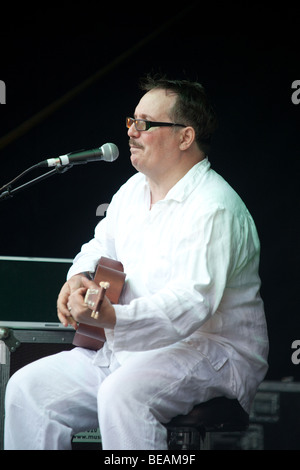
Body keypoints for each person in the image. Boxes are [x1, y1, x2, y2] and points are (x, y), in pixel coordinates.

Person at [4, 76, 269, 450]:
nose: (132, 131)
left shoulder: (214, 206)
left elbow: (192, 303)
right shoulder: (132, 190)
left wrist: (115, 318)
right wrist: (77, 277)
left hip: (210, 351)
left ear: (185, 137)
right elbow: (98, 245)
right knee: (28, 389)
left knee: (122, 395)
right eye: (131, 121)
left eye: (145, 123)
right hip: (130, 350)